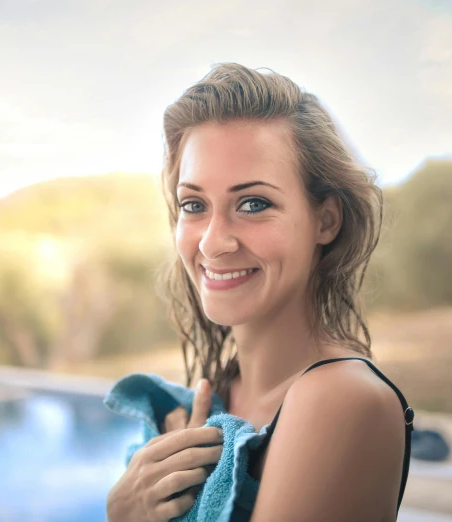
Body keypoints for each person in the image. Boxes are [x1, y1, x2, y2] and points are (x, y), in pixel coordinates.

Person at [106, 63, 412, 521]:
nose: (212, 242)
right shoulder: (221, 392)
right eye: (194, 205)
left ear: (325, 220)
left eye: (253, 204)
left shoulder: (339, 399)